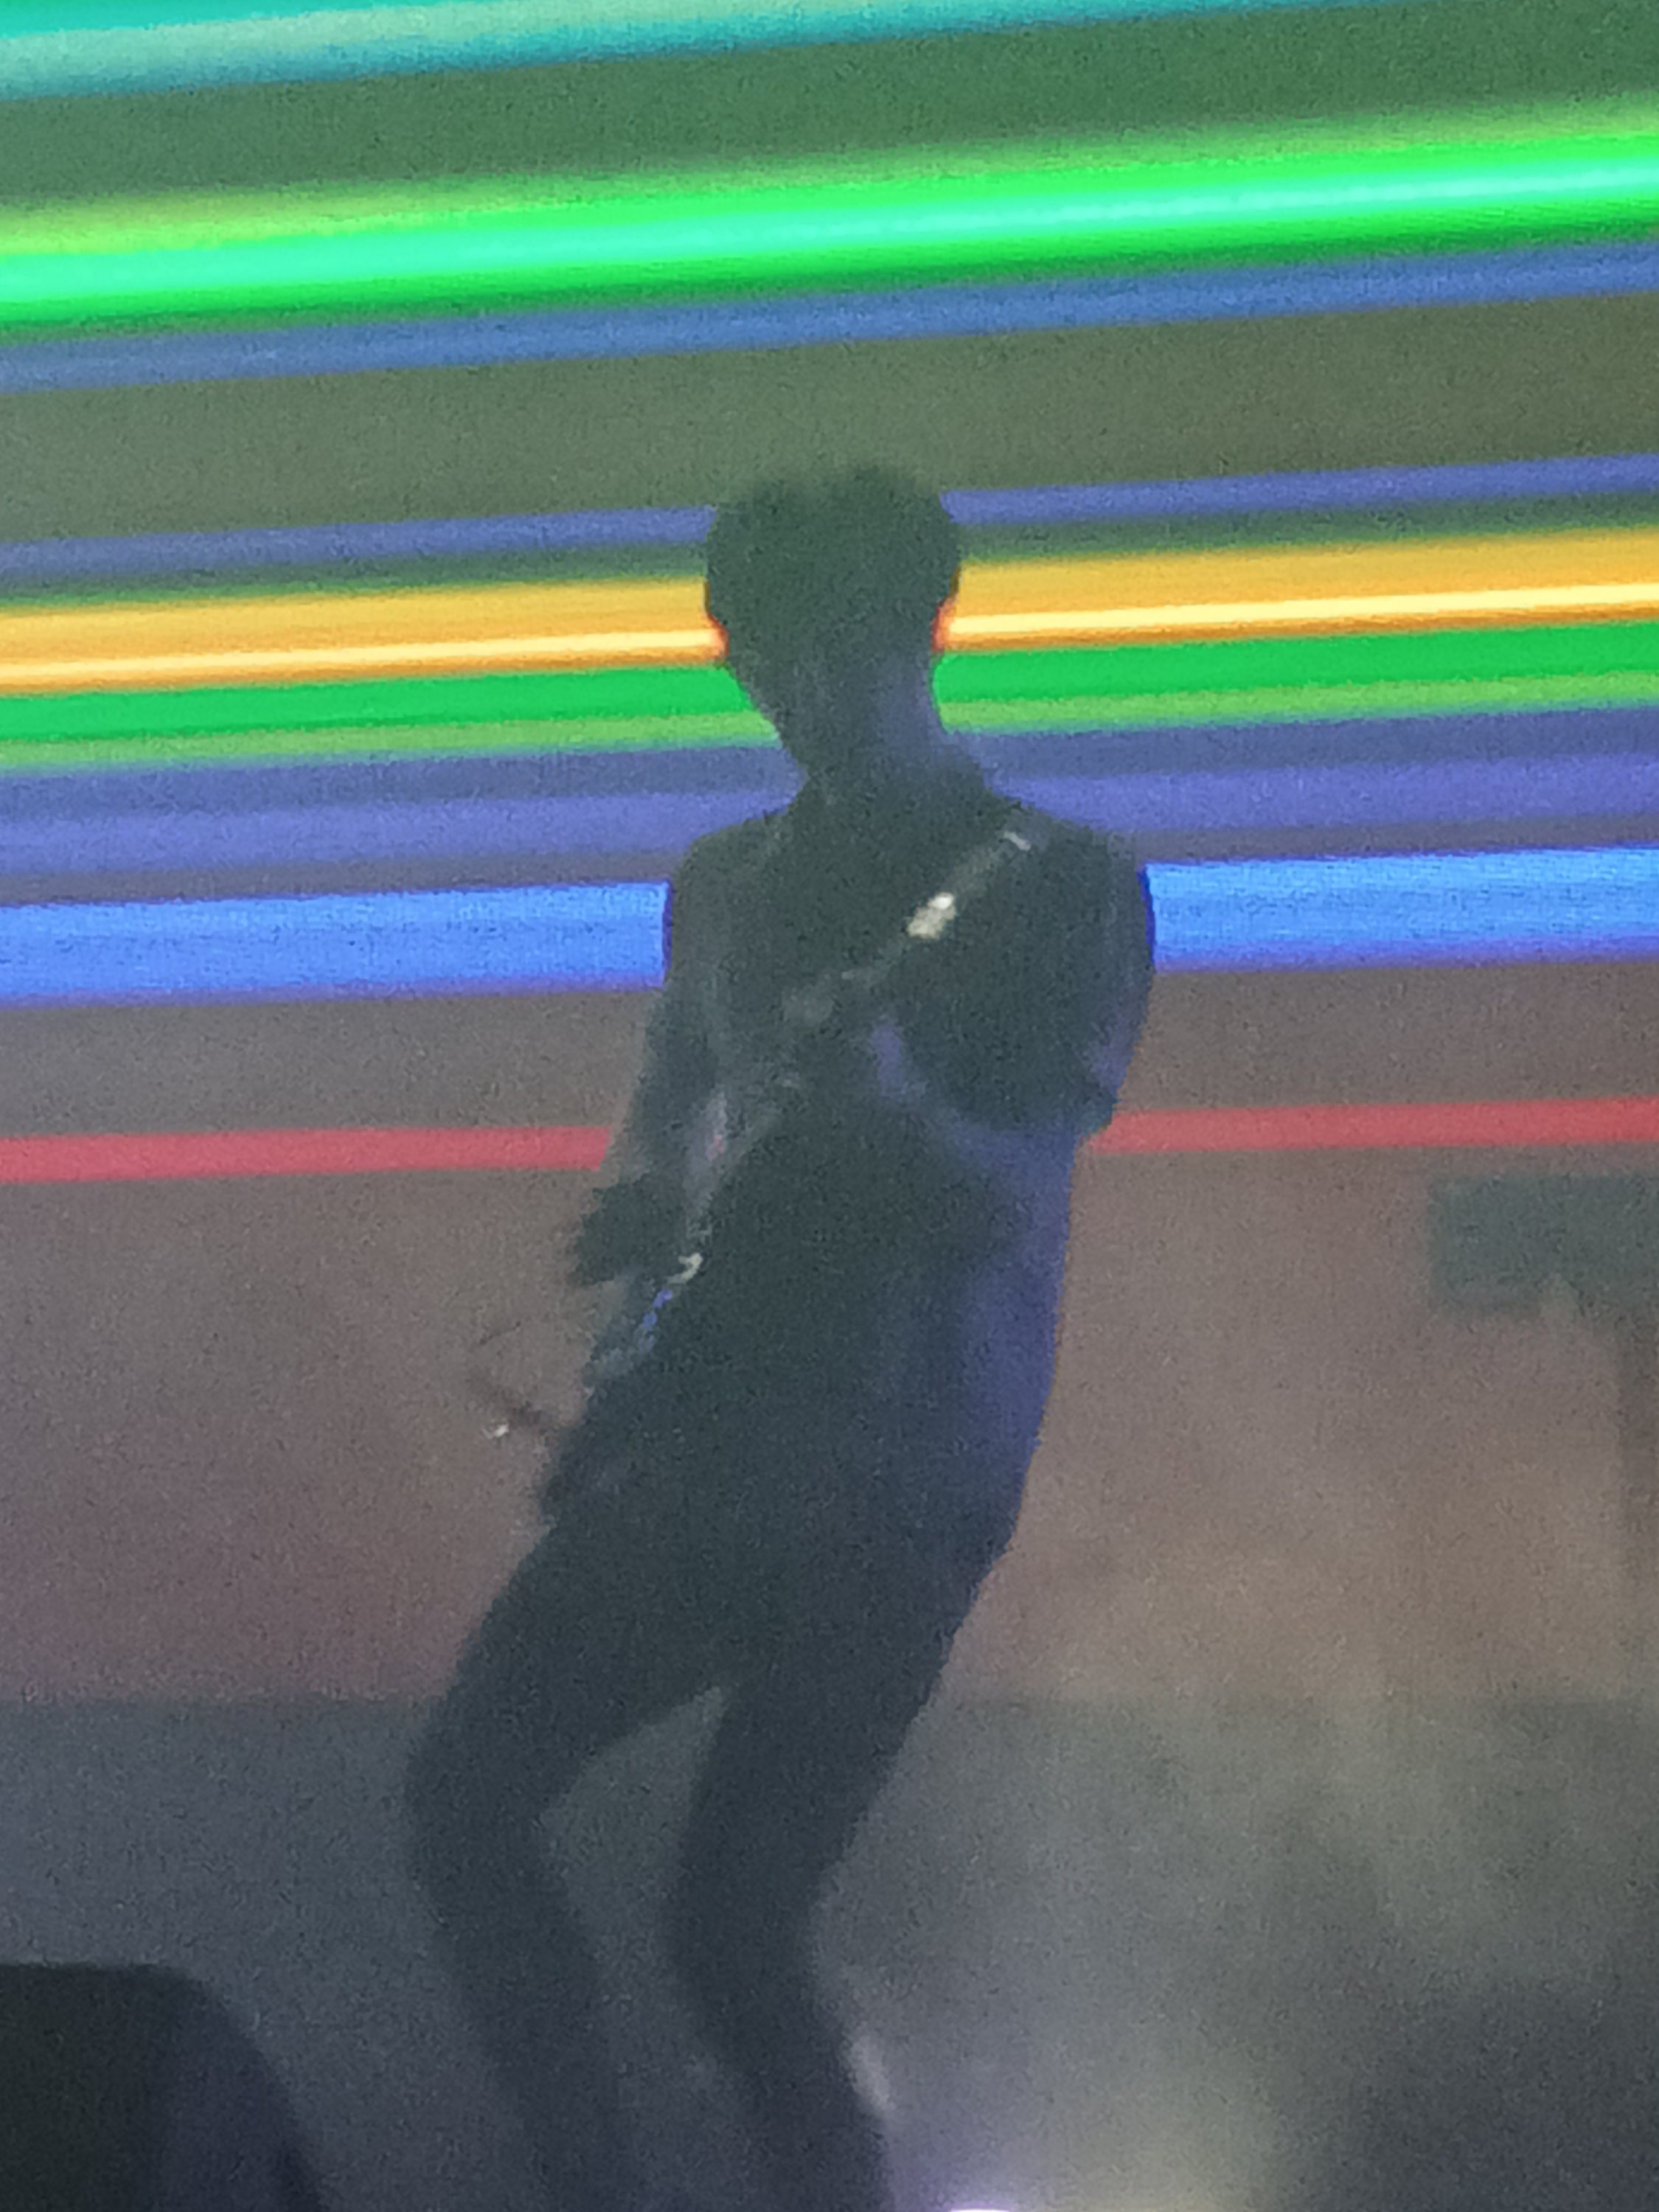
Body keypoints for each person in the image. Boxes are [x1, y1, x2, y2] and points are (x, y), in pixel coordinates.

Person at [403, 467, 1155, 2212]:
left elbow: (1012, 1194)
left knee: (729, 1928)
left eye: (826, 655)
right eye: (759, 660)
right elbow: (675, 1080)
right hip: (706, 1447)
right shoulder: (727, 885)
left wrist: (899, 1116)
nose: (791, 697)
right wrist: (639, 1201)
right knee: (459, 1800)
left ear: (920, 633)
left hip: (900, 1479)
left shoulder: (1060, 889)